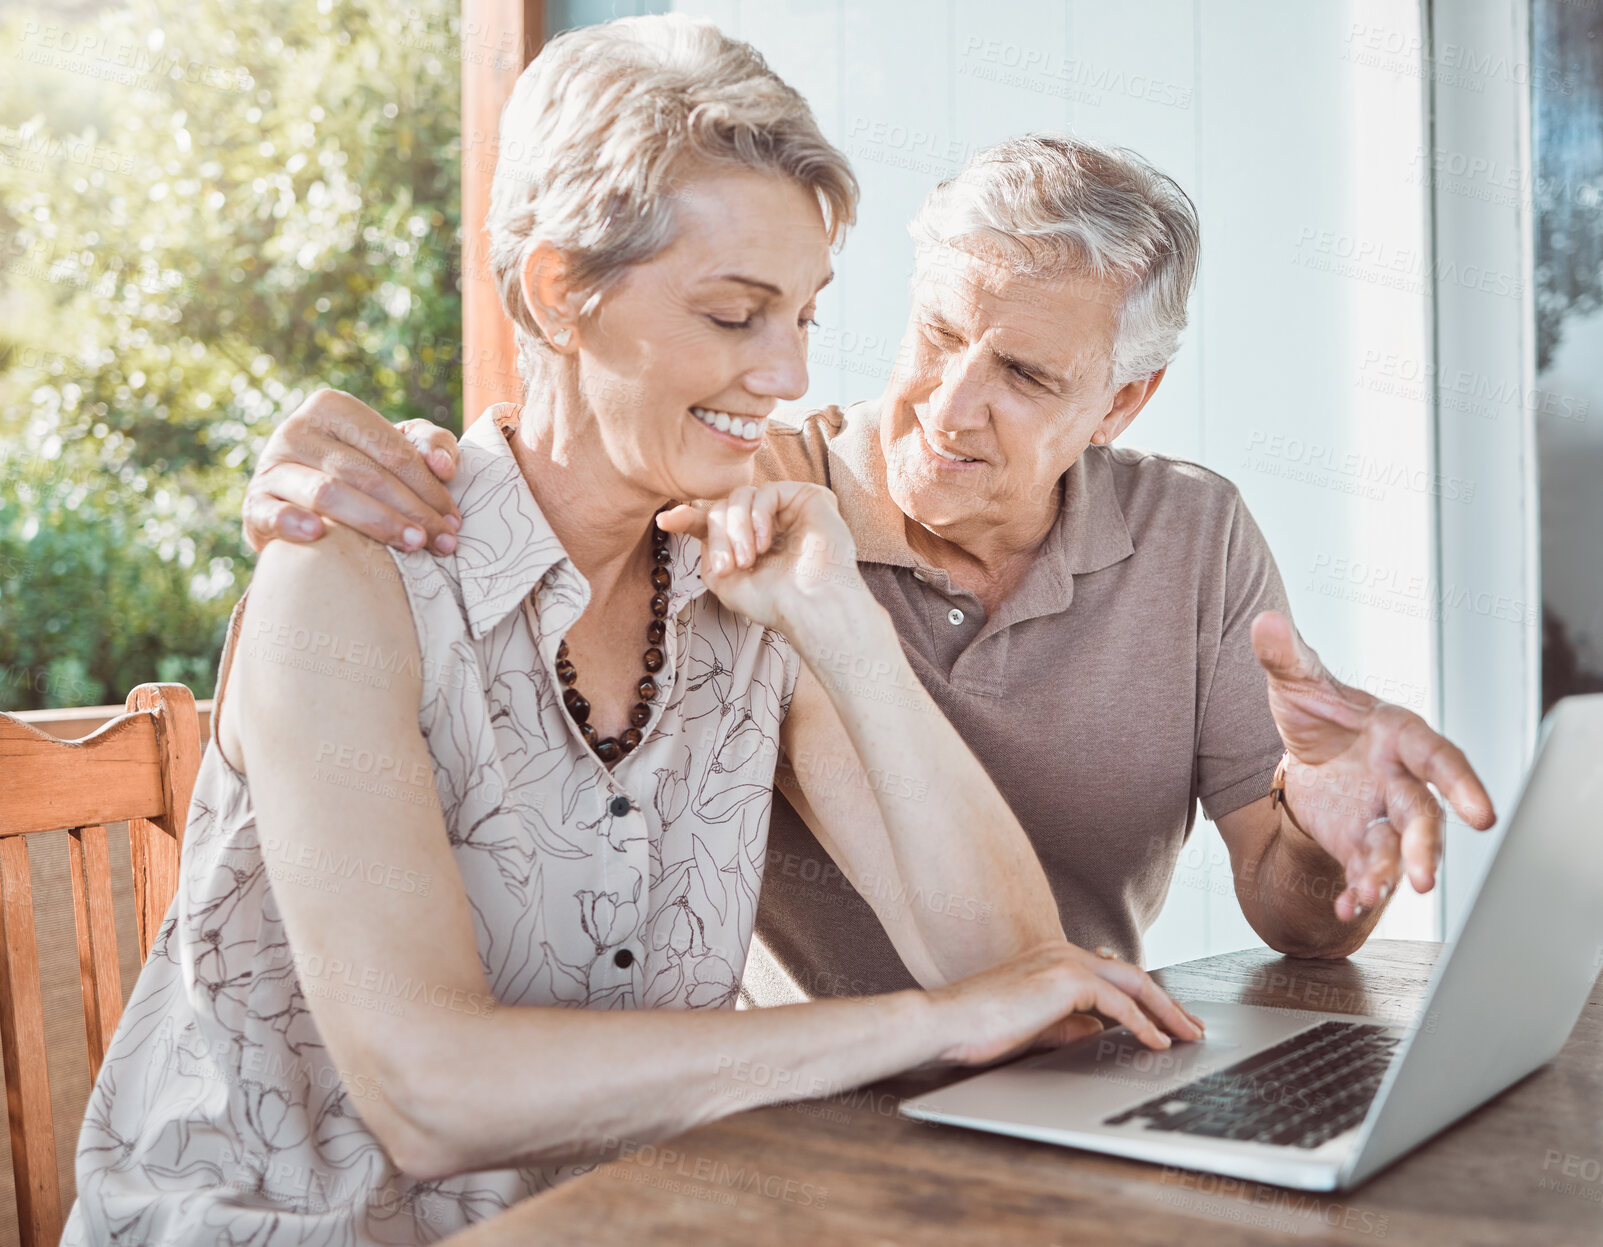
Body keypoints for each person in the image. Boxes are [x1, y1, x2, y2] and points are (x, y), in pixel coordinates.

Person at [64, 19, 1203, 1246]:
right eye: (735, 316)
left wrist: (846, 634)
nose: (785, 376)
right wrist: (920, 1027)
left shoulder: (748, 580)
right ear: (562, 294)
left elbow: (1010, 972)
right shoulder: (347, 577)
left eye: (806, 318)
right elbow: (429, 1095)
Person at [243, 136, 1498, 1006]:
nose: (949, 408)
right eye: (940, 333)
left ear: (1123, 399)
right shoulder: (753, 492)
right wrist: (350, 466)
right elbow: (568, 451)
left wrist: (1328, 841)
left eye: (1025, 375)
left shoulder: (1192, 534)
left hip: (1069, 1063)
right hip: (802, 1109)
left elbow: (1292, 918)